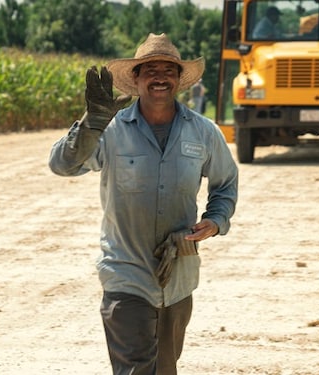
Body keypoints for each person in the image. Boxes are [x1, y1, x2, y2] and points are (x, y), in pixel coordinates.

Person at [48, 33, 239, 375]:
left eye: (168, 69)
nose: (160, 76)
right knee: (136, 370)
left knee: (164, 370)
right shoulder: (110, 129)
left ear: (179, 80)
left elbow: (225, 184)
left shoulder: (204, 132)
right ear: (135, 79)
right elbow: (63, 165)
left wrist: (215, 220)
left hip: (178, 277)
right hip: (126, 274)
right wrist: (92, 122)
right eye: (150, 69)